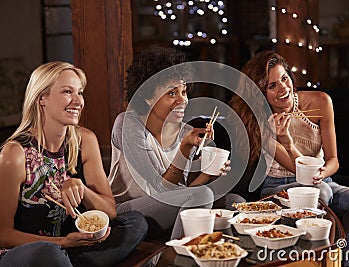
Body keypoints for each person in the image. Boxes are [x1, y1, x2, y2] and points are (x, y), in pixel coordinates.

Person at [229, 50, 349, 267]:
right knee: (321, 192)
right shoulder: (261, 122)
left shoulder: (321, 101)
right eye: (271, 85)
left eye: (284, 79)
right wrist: (287, 142)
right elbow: (300, 172)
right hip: (277, 188)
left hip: (323, 182)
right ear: (261, 93)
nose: (282, 89)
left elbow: (333, 160)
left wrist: (323, 172)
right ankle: (318, 262)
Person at [0, 62, 148, 267]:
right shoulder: (14, 154)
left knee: (136, 222)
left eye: (80, 92)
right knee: (49, 253)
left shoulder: (85, 140)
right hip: (30, 251)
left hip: (72, 247)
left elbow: (110, 212)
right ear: (42, 98)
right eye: (67, 92)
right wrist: (63, 243)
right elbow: (3, 234)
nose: (78, 101)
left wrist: (82, 189)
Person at [107, 46, 245, 240]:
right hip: (129, 211)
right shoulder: (128, 123)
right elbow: (159, 188)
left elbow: (182, 193)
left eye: (184, 92)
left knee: (235, 202)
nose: (183, 100)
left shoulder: (185, 131)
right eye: (172, 93)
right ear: (147, 97)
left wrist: (208, 172)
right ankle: (176, 258)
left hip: (169, 208)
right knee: (204, 195)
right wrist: (184, 149)